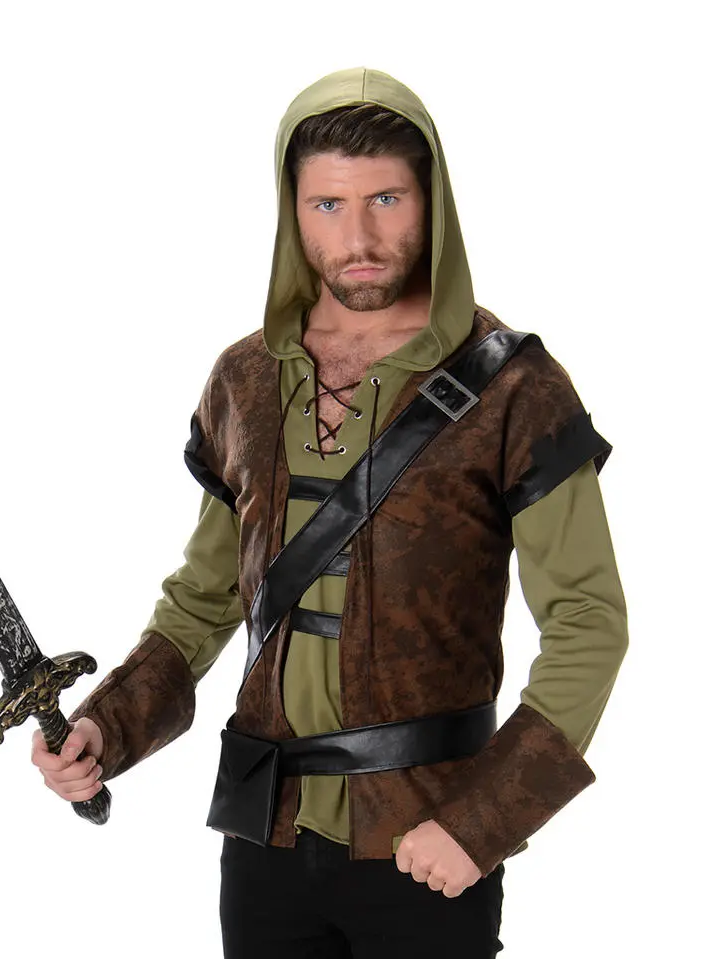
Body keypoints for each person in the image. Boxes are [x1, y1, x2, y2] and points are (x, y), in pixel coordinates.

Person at [31, 66, 628, 958]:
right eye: (327, 205)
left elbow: (588, 621)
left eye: (386, 198)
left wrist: (484, 822)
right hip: (262, 837)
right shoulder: (244, 379)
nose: (359, 237)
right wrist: (103, 728)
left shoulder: (515, 387)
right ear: (293, 213)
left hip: (427, 841)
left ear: (431, 202)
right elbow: (203, 601)